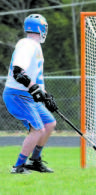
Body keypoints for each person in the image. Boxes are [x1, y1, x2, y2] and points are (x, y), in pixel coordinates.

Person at [3, 14, 58, 174]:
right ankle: (18, 167)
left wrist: (46, 96)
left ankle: (35, 160)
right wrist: (34, 89)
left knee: (49, 124)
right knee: (38, 129)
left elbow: (35, 79)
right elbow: (19, 73)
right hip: (18, 95)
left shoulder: (35, 46)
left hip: (28, 96)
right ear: (41, 28)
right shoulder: (27, 44)